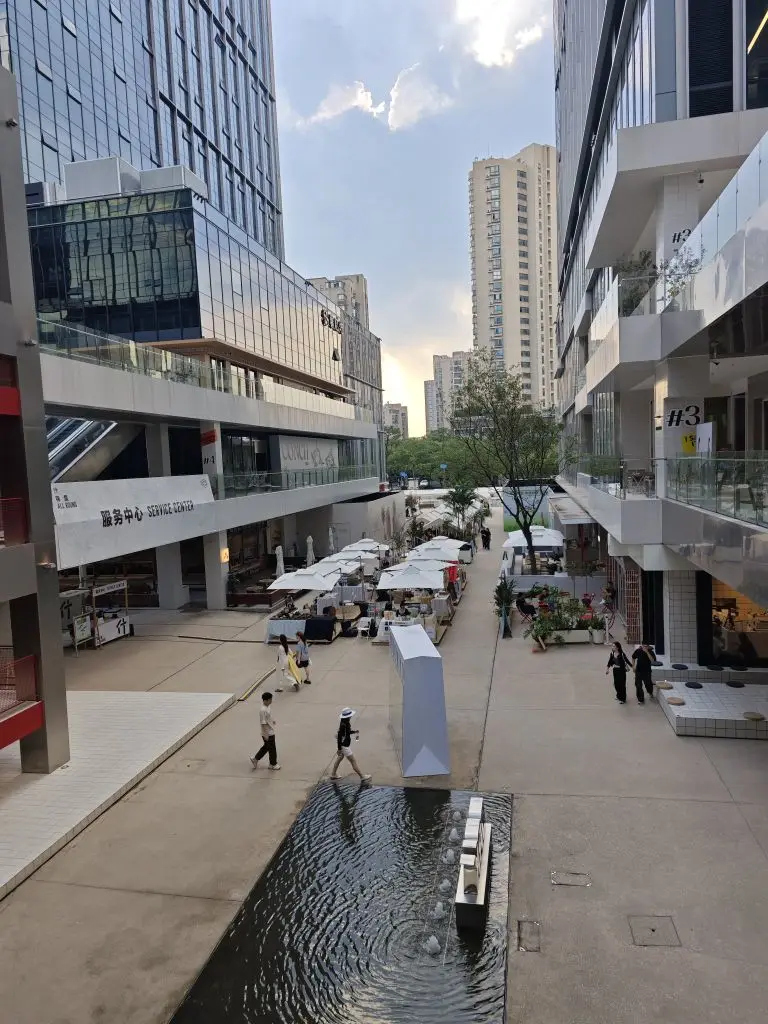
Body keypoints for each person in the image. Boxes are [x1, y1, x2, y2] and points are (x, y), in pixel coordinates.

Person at [330, 708, 371, 782]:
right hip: (344, 746)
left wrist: (354, 732)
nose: (351, 716)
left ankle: (333, 774)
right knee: (353, 760)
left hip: (344, 745)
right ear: (348, 716)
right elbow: (339, 737)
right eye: (350, 715)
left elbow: (347, 732)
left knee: (340, 758)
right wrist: (339, 749)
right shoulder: (343, 725)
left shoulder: (345, 722)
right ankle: (362, 776)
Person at [250, 692, 280, 770]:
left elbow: (269, 716)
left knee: (267, 747)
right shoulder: (262, 710)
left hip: (270, 730)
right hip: (268, 732)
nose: (271, 701)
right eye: (270, 700)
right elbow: (263, 723)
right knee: (272, 749)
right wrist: (266, 734)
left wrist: (272, 721)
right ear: (265, 700)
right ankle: (273, 764)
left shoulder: (267, 706)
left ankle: (255, 759)